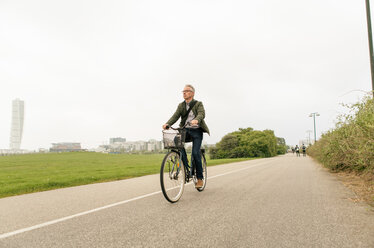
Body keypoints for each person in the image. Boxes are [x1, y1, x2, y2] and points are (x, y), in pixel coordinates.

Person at [162, 85, 210, 188]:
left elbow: (202, 114)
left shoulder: (198, 104)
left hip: (196, 131)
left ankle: (200, 178)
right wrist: (168, 124)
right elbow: (175, 116)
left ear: (192, 93)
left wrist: (197, 119)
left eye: (187, 91)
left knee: (195, 152)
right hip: (185, 130)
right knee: (176, 144)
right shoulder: (181, 106)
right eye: (183, 91)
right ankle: (184, 164)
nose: (184, 93)